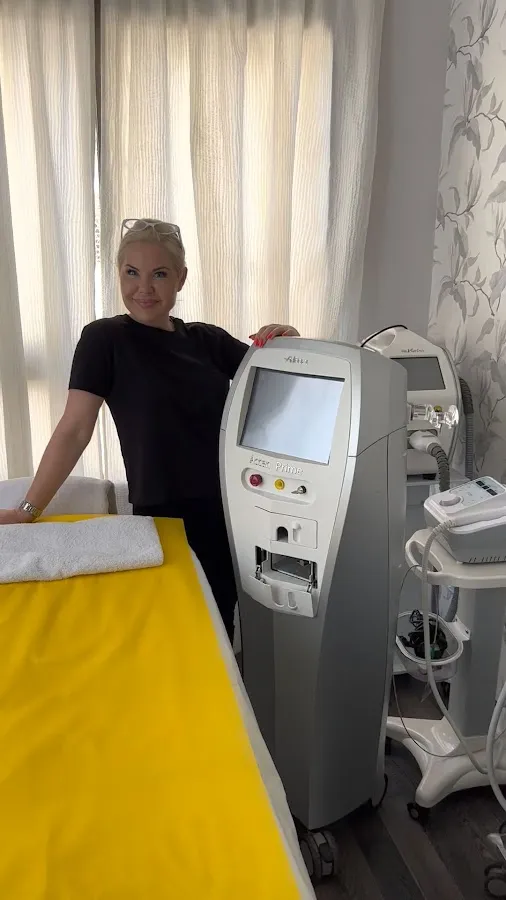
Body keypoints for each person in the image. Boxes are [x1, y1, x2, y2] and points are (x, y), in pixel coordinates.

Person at [0, 218, 299, 639]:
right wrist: (26, 510)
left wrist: (289, 341)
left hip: (231, 509)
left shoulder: (207, 340)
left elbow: (282, 388)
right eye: (131, 273)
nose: (144, 288)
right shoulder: (104, 339)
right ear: (119, 274)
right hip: (163, 516)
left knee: (219, 628)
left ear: (181, 279)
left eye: (159, 274)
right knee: (171, 629)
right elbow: (74, 429)